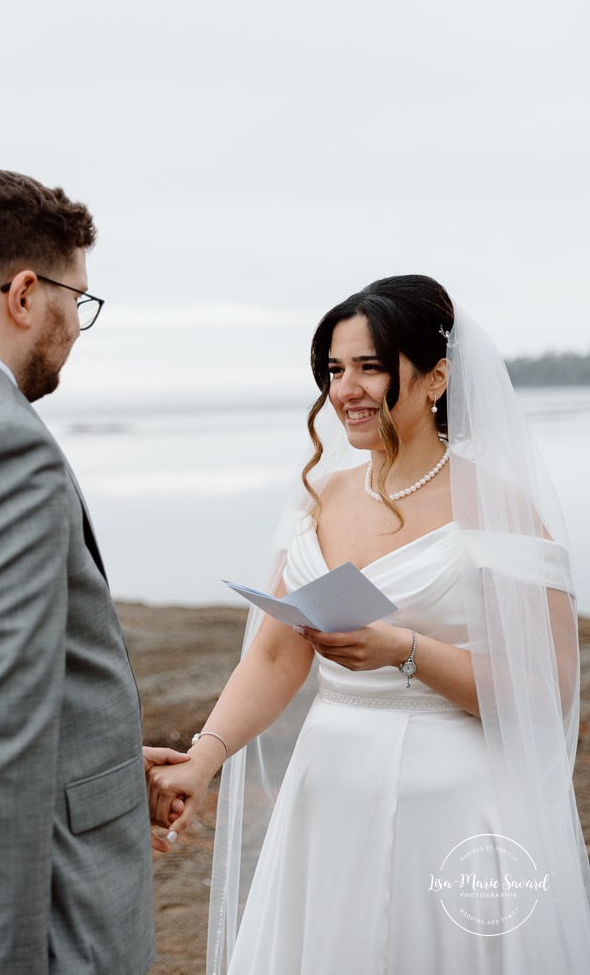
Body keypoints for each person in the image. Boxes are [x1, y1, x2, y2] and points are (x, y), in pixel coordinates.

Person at [148, 275, 590, 974]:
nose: (344, 388)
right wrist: (204, 757)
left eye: (370, 367)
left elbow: (544, 696)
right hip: (328, 795)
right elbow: (271, 658)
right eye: (333, 369)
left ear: (435, 377)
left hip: (452, 807)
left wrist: (404, 650)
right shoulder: (320, 497)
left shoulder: (495, 507)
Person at [0, 167, 184, 975]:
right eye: (76, 300)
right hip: (30, 931)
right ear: (24, 294)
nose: (78, 325)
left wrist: (114, 762)